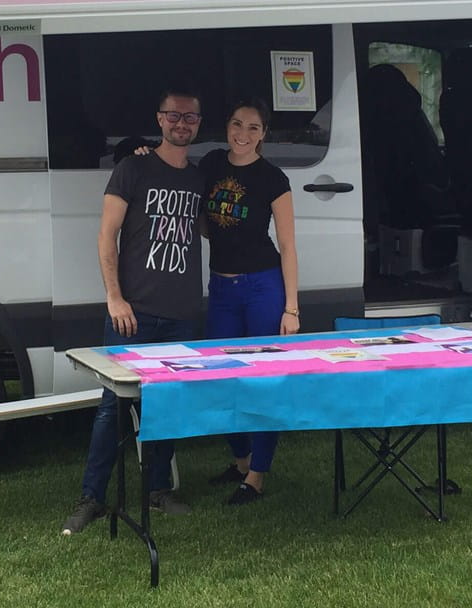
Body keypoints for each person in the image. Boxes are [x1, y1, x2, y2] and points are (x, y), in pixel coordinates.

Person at [62, 90, 206, 536]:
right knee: (113, 408)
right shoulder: (132, 169)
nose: (182, 124)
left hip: (182, 313)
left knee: (169, 404)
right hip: (134, 314)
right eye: (174, 116)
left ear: (198, 124)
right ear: (160, 120)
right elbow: (107, 236)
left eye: (191, 118)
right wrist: (115, 297)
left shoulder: (200, 179)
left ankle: (159, 490)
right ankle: (91, 497)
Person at [199, 97, 299, 506]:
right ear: (226, 127)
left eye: (253, 128)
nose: (243, 134)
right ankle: (241, 460)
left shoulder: (273, 179)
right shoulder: (209, 165)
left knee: (262, 377)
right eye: (237, 124)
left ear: (264, 135)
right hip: (221, 289)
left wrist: (291, 307)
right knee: (219, 377)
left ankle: (257, 475)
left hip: (263, 286)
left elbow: (288, 247)